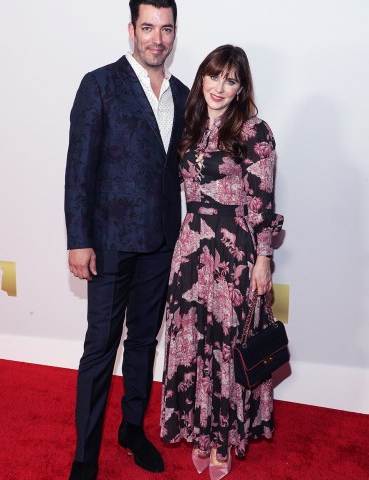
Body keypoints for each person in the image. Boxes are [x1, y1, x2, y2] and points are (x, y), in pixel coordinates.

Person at [64, 1, 189, 478]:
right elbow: (80, 169)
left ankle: (132, 428)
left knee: (143, 342)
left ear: (174, 33)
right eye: (149, 27)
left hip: (161, 239)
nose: (158, 38)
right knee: (101, 346)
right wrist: (79, 239)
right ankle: (84, 456)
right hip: (110, 241)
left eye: (167, 29)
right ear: (131, 29)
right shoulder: (99, 84)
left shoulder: (181, 92)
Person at [160, 45, 284, 480]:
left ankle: (225, 441)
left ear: (240, 87)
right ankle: (201, 431)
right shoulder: (187, 125)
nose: (219, 86)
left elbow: (263, 201)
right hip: (191, 249)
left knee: (229, 346)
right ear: (202, 78)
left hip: (235, 254)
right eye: (214, 76)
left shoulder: (254, 132)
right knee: (194, 343)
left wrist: (264, 258)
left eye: (230, 80)